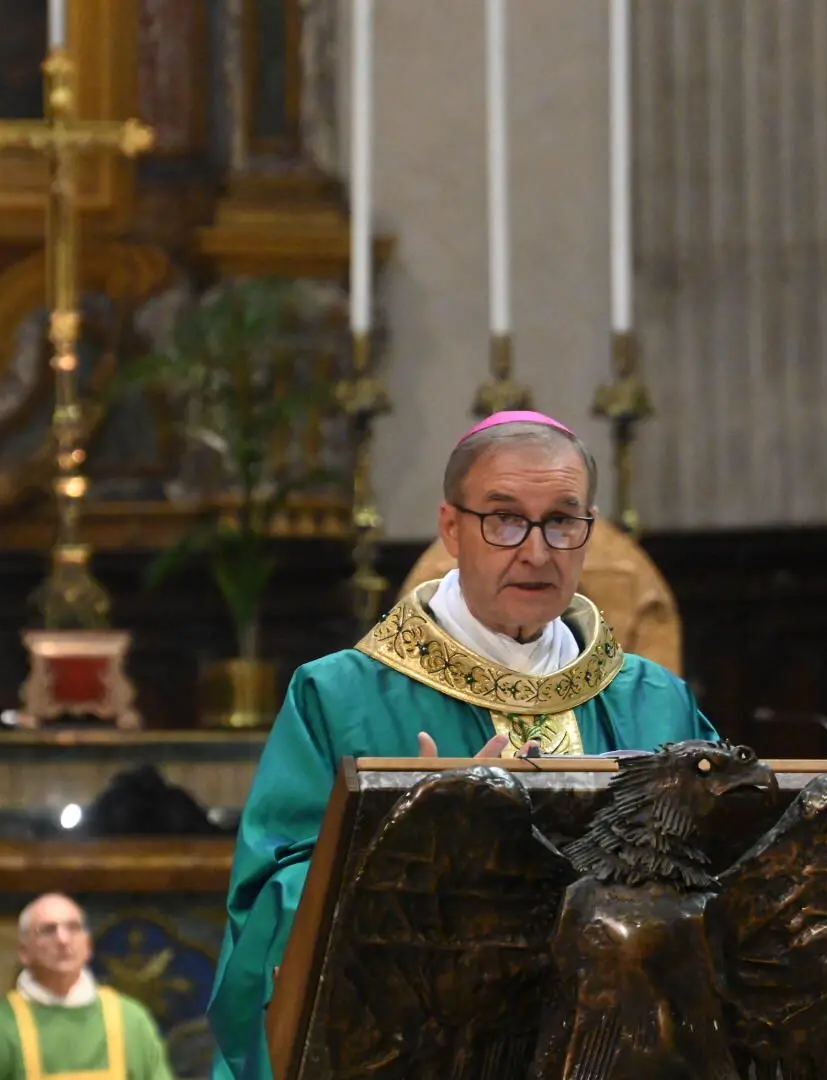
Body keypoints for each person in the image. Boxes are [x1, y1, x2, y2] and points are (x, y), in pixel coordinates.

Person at [207, 410, 720, 1080]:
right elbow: (273, 910)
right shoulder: (342, 698)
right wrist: (421, 838)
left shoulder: (651, 700)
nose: (536, 551)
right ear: (452, 528)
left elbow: (726, 877)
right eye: (504, 519)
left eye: (562, 521)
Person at [0, 892, 175, 1080]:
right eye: (48, 930)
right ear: (24, 952)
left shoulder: (131, 1021)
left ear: (88, 946)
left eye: (73, 928)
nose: (62, 939)